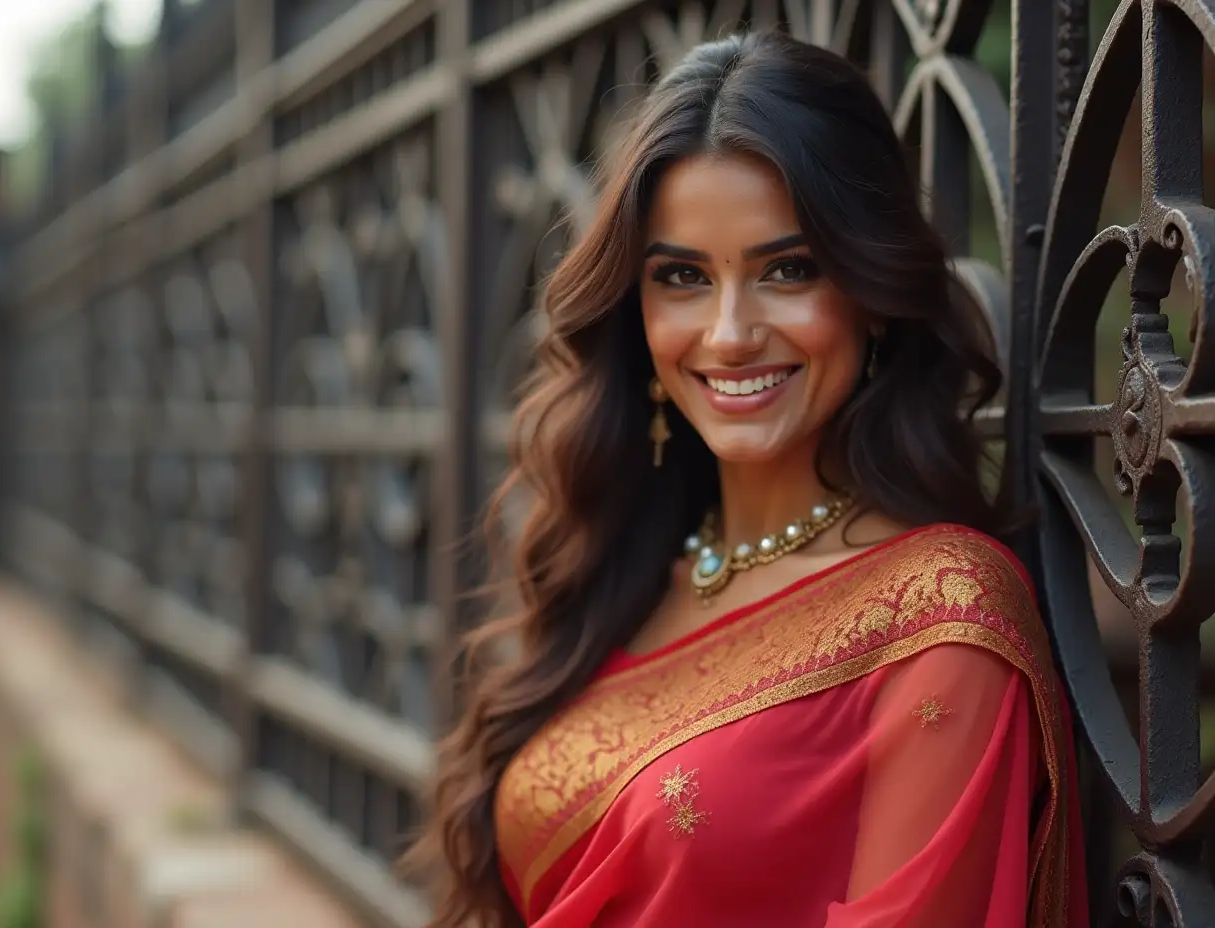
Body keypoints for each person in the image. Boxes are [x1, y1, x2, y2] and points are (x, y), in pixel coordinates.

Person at [421, 30, 1089, 928]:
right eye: (684, 277)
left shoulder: (940, 621)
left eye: (787, 269)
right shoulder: (630, 570)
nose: (730, 334)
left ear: (872, 292)